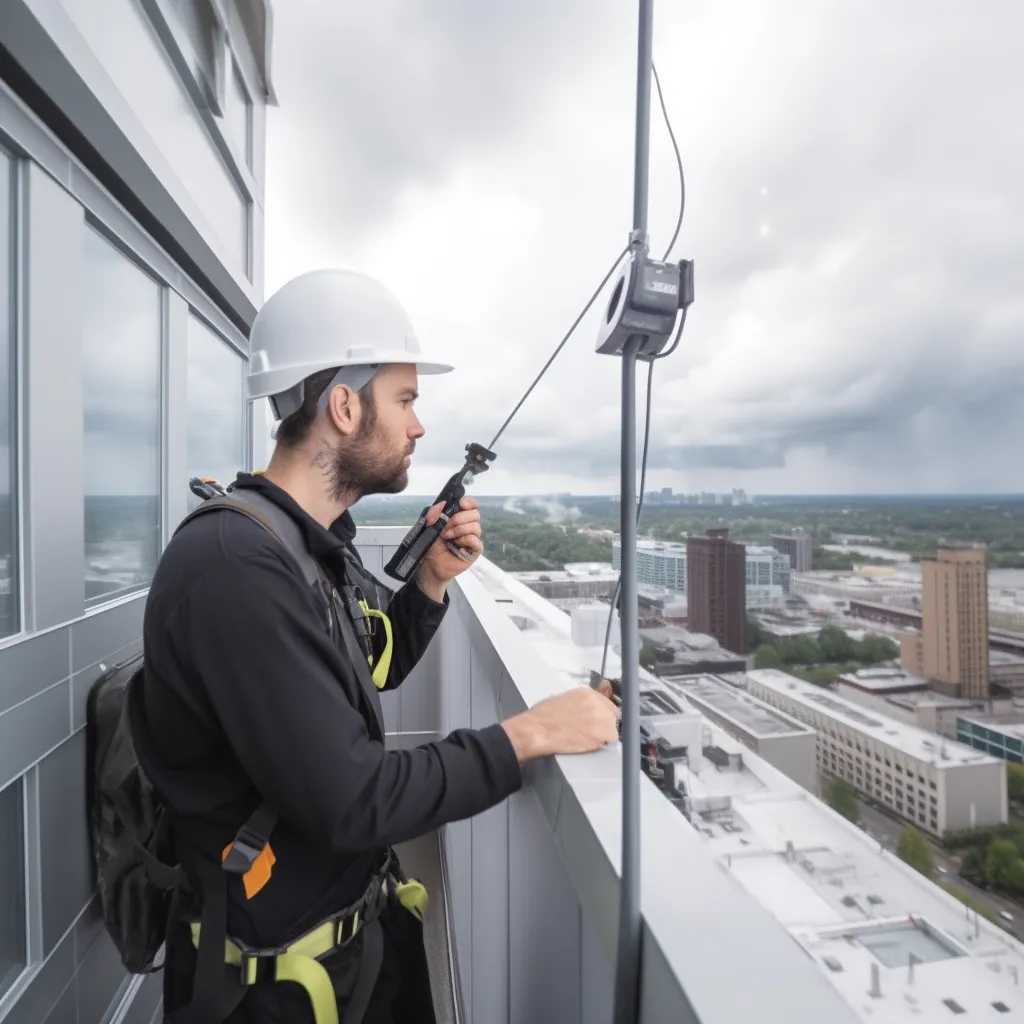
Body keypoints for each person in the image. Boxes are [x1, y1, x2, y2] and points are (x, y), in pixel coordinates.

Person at [133, 268, 620, 1024]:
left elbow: (366, 669)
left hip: (351, 941)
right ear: (344, 406)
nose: (418, 426)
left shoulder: (299, 544)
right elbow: (355, 800)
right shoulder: (237, 567)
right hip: (275, 989)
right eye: (406, 400)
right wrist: (530, 735)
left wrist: (428, 583)